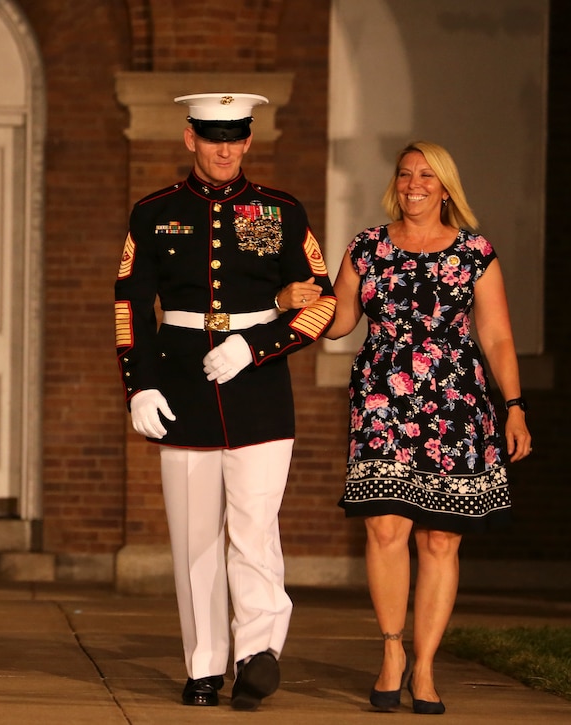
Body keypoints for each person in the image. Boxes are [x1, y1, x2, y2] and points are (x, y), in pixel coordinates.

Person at [279, 141, 532, 714]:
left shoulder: (474, 251)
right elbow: (340, 321)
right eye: (405, 173)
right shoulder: (368, 247)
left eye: (427, 175)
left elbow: (496, 337)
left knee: (439, 538)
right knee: (385, 531)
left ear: (445, 187)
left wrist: (514, 405)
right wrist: (293, 299)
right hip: (382, 400)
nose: (414, 183)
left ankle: (425, 667)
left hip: (457, 405)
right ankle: (392, 652)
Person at [113, 92, 336, 710]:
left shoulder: (281, 211)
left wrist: (258, 345)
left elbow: (324, 302)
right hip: (181, 385)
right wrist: (140, 384)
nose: (225, 149)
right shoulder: (154, 212)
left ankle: (257, 653)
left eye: (236, 137)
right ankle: (204, 664)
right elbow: (130, 303)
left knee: (254, 529)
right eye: (213, 137)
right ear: (190, 139)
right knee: (194, 540)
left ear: (248, 140)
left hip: (259, 390)